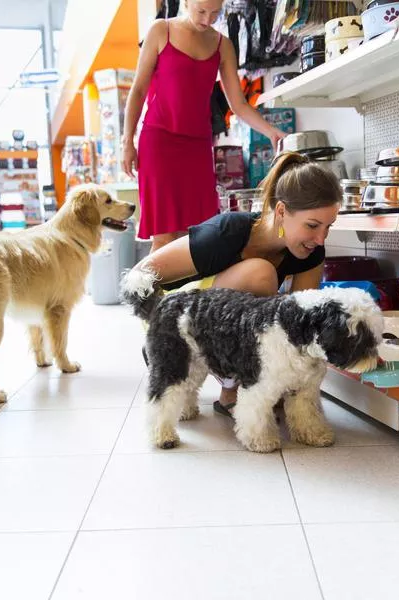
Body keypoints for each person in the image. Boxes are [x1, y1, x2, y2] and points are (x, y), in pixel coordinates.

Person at [129, 151, 342, 415]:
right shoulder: (224, 233)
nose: (321, 239)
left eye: (328, 227)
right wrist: (165, 333)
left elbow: (299, 323)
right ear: (282, 211)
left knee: (287, 312)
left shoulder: (312, 252)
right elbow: (138, 277)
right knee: (261, 274)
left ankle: (237, 385)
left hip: (228, 335)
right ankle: (233, 389)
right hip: (175, 328)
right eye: (312, 225)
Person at [122, 0, 288, 253]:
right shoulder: (160, 30)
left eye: (215, 13)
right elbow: (138, 91)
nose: (207, 19)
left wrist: (271, 131)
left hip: (197, 149)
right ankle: (148, 292)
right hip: (159, 143)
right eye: (201, 11)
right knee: (164, 238)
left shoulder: (223, 45)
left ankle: (188, 293)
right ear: (186, 2)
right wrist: (127, 143)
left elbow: (239, 105)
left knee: (196, 237)